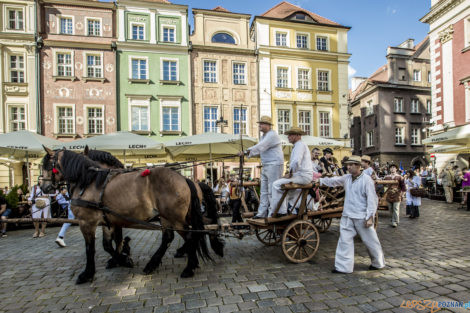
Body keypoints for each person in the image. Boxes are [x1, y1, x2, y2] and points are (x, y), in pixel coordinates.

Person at [314, 155, 385, 273]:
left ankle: (378, 263)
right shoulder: (347, 178)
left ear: (358, 166)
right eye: (348, 165)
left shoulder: (366, 180)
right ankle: (343, 267)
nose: (348, 167)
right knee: (344, 241)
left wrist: (370, 216)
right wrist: (320, 181)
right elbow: (334, 181)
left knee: (370, 241)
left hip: (361, 216)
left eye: (351, 165)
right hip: (347, 214)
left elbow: (372, 199)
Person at [245, 116, 284, 219]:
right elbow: (260, 148)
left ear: (268, 125)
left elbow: (261, 146)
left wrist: (246, 152)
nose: (260, 125)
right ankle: (261, 213)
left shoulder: (272, 135)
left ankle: (272, 212)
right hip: (266, 164)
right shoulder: (263, 136)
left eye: (262, 124)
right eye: (260, 123)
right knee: (264, 191)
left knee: (272, 190)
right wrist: (248, 152)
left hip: (274, 164)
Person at [271, 127, 313, 217]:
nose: (288, 137)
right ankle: (293, 210)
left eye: (290, 135)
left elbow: (296, 161)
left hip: (302, 176)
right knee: (290, 192)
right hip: (303, 175)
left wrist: (290, 174)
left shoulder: (299, 145)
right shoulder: (299, 145)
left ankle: (281, 212)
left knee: (276, 184)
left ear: (297, 135)